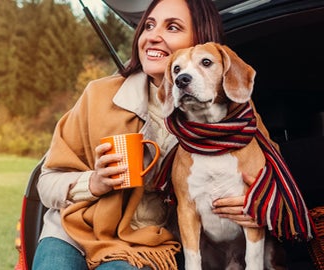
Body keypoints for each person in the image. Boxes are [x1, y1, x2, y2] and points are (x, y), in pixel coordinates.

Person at [32, 0, 264, 269]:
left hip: (147, 243)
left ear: (199, 42)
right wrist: (94, 182)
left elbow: (273, 179)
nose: (153, 36)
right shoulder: (97, 95)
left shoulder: (236, 112)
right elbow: (46, 182)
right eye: (148, 26)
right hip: (73, 231)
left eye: (173, 27)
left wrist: (257, 204)